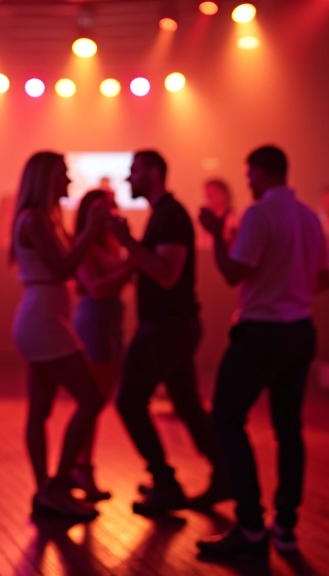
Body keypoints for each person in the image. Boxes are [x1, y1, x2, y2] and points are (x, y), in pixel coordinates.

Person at [195, 146, 329, 558]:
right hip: (300, 330)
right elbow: (322, 279)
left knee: (226, 418)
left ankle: (251, 526)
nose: (247, 182)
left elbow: (234, 271)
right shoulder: (308, 216)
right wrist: (290, 287)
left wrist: (217, 233)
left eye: (249, 173)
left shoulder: (259, 215)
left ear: (262, 172)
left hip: (260, 332)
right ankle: (285, 526)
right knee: (289, 429)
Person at [108, 150, 229, 516]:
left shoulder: (171, 216)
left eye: (135, 171)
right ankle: (225, 474)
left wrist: (127, 243)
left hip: (167, 326)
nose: (130, 178)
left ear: (155, 173)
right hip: (172, 324)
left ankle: (165, 481)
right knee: (187, 404)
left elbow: (166, 274)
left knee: (130, 401)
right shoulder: (164, 214)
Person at [10, 152, 107, 520]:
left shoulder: (42, 218)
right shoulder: (36, 219)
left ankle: (45, 491)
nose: (69, 181)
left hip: (40, 317)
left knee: (40, 409)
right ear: (47, 179)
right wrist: (91, 231)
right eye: (64, 174)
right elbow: (65, 267)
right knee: (91, 398)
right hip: (44, 320)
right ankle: (60, 482)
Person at [71, 189, 135, 501]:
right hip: (95, 318)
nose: (111, 213)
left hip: (110, 317)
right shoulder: (83, 243)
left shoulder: (108, 241)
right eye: (104, 208)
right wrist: (130, 266)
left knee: (99, 399)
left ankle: (80, 467)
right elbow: (95, 289)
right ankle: (80, 467)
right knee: (92, 400)